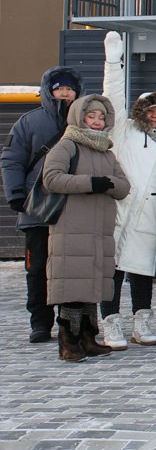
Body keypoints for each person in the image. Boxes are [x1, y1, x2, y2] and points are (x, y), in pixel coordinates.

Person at [99, 32, 156, 349]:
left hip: (150, 215)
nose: (154, 116)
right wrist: (113, 62)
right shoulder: (124, 130)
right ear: (141, 111)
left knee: (143, 270)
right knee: (113, 270)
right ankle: (110, 323)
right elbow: (112, 98)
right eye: (150, 111)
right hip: (121, 210)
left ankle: (141, 320)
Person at [42, 95, 131, 361]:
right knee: (72, 287)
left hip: (99, 232)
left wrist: (108, 184)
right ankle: (68, 342)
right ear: (79, 118)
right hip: (71, 228)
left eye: (101, 117)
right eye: (91, 116)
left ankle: (88, 338)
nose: (96, 121)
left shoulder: (106, 152)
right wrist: (92, 183)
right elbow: (52, 178)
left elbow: (124, 186)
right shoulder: (67, 145)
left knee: (92, 286)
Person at [2, 65, 81, 343]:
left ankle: (69, 321)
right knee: (37, 269)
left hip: (73, 209)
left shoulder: (86, 121)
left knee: (71, 269)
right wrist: (15, 194)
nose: (65, 93)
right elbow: (12, 159)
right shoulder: (29, 122)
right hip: (36, 208)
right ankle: (40, 322)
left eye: (70, 89)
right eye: (60, 89)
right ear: (49, 92)